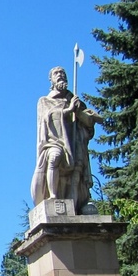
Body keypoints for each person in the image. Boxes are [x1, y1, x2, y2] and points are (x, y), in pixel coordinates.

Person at [31, 66, 103, 215]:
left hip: (74, 142)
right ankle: (53, 196)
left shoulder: (73, 99)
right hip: (54, 141)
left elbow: (87, 122)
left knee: (78, 169)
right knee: (54, 157)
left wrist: (85, 115)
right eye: (56, 74)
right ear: (50, 80)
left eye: (63, 73)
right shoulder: (45, 101)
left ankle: (80, 202)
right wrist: (67, 111)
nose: (61, 76)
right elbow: (47, 118)